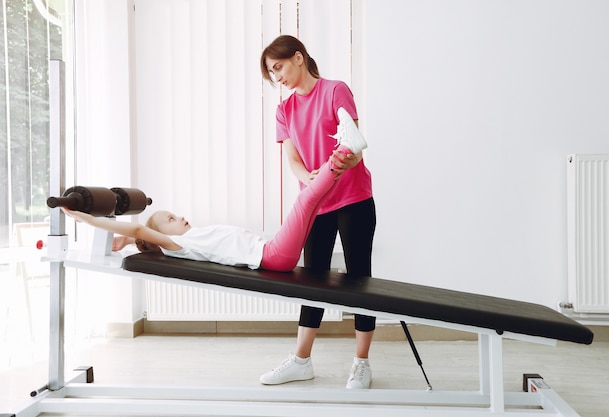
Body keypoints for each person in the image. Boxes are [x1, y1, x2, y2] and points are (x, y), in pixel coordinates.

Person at [62, 108, 366, 275]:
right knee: (307, 198)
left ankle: (343, 150)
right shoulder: (175, 245)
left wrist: (126, 238)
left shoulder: (188, 239)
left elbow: (142, 231)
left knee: (313, 201)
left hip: (273, 252)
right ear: (163, 235)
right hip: (272, 256)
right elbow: (144, 227)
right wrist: (89, 221)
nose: (178, 216)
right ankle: (344, 149)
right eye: (170, 218)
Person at [260, 35, 376, 389]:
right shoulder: (285, 110)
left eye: (278, 67)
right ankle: (301, 361)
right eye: (270, 73)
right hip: (315, 204)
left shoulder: (335, 90)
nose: (276, 76)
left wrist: (344, 160)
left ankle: (361, 364)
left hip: (354, 199)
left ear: (298, 57)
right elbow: (292, 158)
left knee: (359, 280)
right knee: (313, 280)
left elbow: (353, 145)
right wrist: (307, 177)